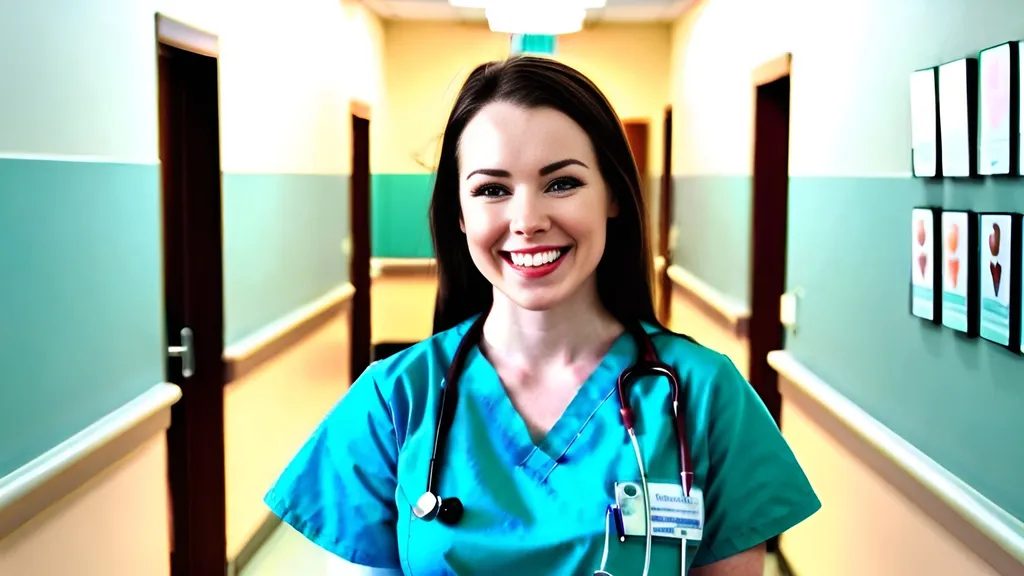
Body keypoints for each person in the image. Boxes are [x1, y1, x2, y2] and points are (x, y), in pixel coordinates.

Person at [264, 55, 821, 575]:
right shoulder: (393, 400)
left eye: (562, 183)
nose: (527, 219)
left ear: (613, 195)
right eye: (491, 189)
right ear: (458, 214)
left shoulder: (704, 395)